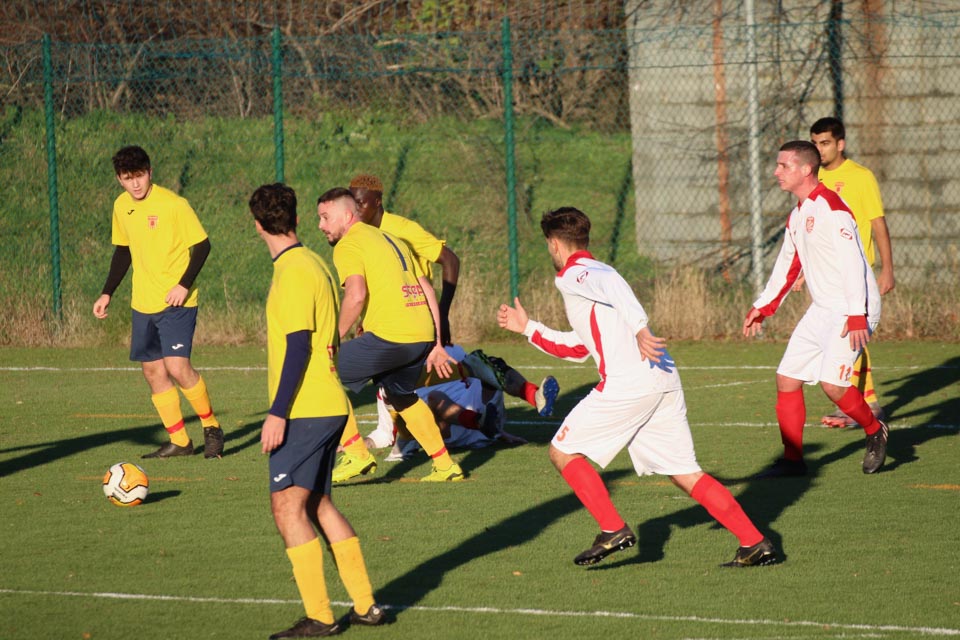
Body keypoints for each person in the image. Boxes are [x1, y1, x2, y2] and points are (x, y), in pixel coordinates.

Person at [498, 206, 777, 568]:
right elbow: (579, 347)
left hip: (629, 383)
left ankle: (612, 529)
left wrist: (641, 328)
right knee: (685, 472)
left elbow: (612, 282)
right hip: (661, 377)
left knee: (562, 451)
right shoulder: (591, 283)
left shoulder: (576, 274)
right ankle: (754, 542)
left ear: (554, 244)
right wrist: (528, 328)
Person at [249, 183, 384, 638]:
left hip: (305, 409)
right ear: (295, 219)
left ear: (257, 226)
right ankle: (365, 605)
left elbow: (298, 346)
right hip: (329, 402)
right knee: (319, 503)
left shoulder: (292, 271)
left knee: (287, 508)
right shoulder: (314, 262)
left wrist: (277, 412)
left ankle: (321, 616)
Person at [743, 141, 889, 477]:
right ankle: (793, 461)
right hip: (823, 308)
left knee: (833, 386)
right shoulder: (798, 214)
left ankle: (875, 429)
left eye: (784, 166)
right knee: (787, 378)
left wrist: (857, 313)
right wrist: (763, 306)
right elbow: (788, 264)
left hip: (853, 308)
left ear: (806, 169)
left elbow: (853, 262)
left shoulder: (831, 208)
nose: (776, 172)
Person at [317, 187, 464, 482]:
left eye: (325, 217)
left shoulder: (348, 245)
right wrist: (436, 342)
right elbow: (426, 289)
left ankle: (356, 453)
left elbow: (356, 295)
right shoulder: (392, 238)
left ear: (347, 216)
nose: (321, 225)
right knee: (401, 395)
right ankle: (445, 466)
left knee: (318, 370)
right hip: (420, 336)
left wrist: (330, 340)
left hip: (393, 337)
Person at [92, 145, 223, 459]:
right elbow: (123, 250)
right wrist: (107, 292)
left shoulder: (174, 204)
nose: (135, 183)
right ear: (119, 179)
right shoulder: (121, 206)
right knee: (153, 372)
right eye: (127, 178)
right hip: (143, 303)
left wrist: (183, 285)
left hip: (177, 303)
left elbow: (203, 246)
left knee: (177, 367)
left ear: (150, 172)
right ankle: (180, 441)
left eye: (139, 175)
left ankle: (211, 427)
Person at [810, 117, 894, 427]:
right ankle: (866, 402)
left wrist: (887, 269)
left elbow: (878, 223)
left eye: (825, 143)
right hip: (825, 275)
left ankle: (860, 405)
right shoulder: (814, 177)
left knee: (848, 334)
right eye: (815, 143)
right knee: (842, 336)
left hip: (856, 273)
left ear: (840, 144)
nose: (819, 149)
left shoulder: (861, 177)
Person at [363, 344, 554, 460]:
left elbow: (475, 378)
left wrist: (498, 431)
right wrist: (358, 444)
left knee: (490, 364)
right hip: (450, 430)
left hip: (484, 414)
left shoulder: (449, 350)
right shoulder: (389, 383)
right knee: (435, 398)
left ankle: (534, 396)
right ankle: (479, 422)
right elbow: (384, 434)